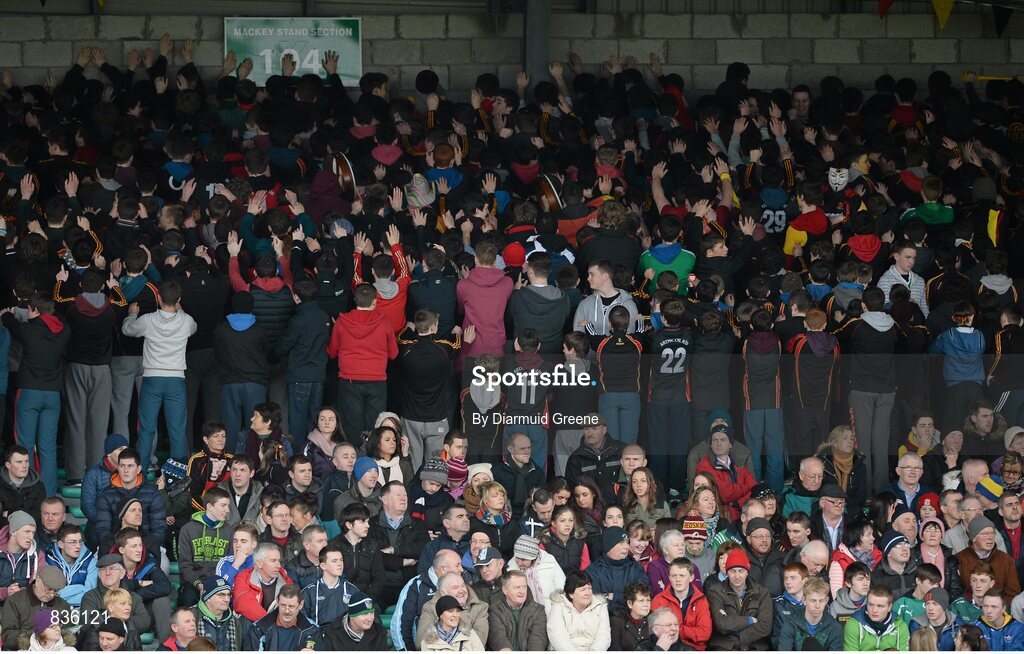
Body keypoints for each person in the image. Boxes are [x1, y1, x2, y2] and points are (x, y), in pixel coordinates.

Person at [120, 279, 197, 464]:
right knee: (177, 431)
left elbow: (127, 330)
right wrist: (180, 308)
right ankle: (177, 480)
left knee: (146, 430)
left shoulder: (147, 320)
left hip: (152, 379)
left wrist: (131, 315)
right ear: (178, 299)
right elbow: (193, 328)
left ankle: (141, 476)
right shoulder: (187, 321)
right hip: (176, 380)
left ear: (158, 298)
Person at [1, 293, 71, 494]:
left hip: (29, 393)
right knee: (47, 446)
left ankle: (29, 491)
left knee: (24, 444)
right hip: (52, 395)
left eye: (31, 310)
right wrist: (47, 308)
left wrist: (9, 312)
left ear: (36, 311)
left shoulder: (29, 331)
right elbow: (61, 318)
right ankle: (48, 493)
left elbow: (9, 322)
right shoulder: (64, 331)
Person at [328, 283, 399, 440]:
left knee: (352, 427)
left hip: (350, 380)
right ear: (374, 301)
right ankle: (372, 460)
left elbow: (332, 352)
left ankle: (355, 460)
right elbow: (394, 354)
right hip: (377, 380)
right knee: (375, 427)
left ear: (355, 300)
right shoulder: (384, 321)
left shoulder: (342, 321)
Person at [93, 449, 166, 555]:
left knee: (164, 566)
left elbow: (159, 528)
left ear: (138, 469)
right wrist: (121, 547)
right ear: (118, 468)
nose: (125, 470)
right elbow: (102, 529)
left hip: (146, 546)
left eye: (130, 466)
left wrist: (138, 547)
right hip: (115, 546)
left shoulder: (151, 493)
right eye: (122, 466)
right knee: (97, 566)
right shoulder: (107, 494)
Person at [706, 548, 773, 649]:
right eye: (732, 571)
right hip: (725, 646)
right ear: (727, 573)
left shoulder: (762, 592)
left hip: (754, 646)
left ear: (747, 572)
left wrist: (739, 634)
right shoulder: (715, 591)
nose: (737, 576)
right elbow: (721, 624)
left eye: (741, 571)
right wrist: (750, 620)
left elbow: (765, 626)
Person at [176, 486, 230, 606]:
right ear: (210, 506)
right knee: (188, 598)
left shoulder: (229, 531)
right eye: (223, 505)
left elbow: (230, 562)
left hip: (220, 583)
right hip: (194, 583)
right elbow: (185, 566)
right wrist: (199, 585)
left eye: (228, 505)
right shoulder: (188, 529)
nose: (227, 510)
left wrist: (217, 586)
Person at [650, 557, 712, 650]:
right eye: (674, 576)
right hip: (669, 648)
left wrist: (676, 629)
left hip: (695, 649)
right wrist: (690, 632)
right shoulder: (659, 600)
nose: (677, 580)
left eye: (682, 576)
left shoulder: (701, 600)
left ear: (691, 577)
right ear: (669, 577)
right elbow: (656, 631)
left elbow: (704, 634)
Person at [0, 567, 71, 648]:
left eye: (56, 591)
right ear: (38, 581)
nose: (51, 595)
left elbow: (69, 635)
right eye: (48, 589)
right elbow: (8, 637)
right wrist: (41, 635)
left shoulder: (63, 605)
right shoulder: (15, 601)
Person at [958, 516, 1021, 604]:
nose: (990, 537)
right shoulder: (959, 559)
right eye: (985, 534)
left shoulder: (1006, 560)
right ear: (974, 538)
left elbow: (1013, 594)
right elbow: (956, 592)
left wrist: (995, 607)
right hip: (968, 611)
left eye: (992, 533)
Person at [545, 570, 611, 651]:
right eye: (583, 589)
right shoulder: (558, 605)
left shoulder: (600, 606)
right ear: (571, 594)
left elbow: (604, 636)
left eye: (589, 588)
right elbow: (557, 636)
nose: (587, 593)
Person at [565, 414, 624, 502]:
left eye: (594, 428)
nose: (589, 433)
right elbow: (572, 489)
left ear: (604, 430)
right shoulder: (575, 458)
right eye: (586, 429)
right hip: (589, 508)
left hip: (617, 505)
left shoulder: (621, 450)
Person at [586, 526, 649, 608]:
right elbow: (595, 602)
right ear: (609, 546)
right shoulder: (592, 571)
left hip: (632, 618)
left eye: (627, 542)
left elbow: (641, 598)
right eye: (621, 542)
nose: (626, 547)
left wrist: (613, 596)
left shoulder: (635, 568)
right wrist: (624, 598)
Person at [486, 570, 549, 651]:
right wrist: (505, 649)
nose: (522, 591)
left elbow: (537, 639)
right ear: (505, 590)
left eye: (524, 587)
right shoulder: (495, 610)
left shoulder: (538, 610)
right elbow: (497, 636)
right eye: (517, 587)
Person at [232, 542, 294, 622]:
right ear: (259, 563)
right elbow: (243, 603)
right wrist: (269, 624)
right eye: (273, 561)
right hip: (253, 628)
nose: (278, 565)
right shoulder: (243, 578)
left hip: (279, 628)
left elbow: (294, 606)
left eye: (279, 561)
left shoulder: (285, 579)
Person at [778, 576, 844, 650]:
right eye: (813, 600)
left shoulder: (834, 627)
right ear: (804, 600)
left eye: (821, 600)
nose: (817, 606)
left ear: (826, 601)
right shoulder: (791, 623)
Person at [317, 589, 390, 650]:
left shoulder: (380, 632)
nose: (370, 618)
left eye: (372, 613)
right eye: (365, 614)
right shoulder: (331, 633)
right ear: (352, 616)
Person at [190, 576, 242, 652]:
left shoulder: (235, 621)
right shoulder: (190, 616)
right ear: (208, 597)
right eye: (221, 595)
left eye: (228, 595)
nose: (227, 599)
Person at [610, 582, 653, 650]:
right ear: (630, 603)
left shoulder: (654, 619)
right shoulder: (617, 621)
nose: (646, 604)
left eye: (648, 600)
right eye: (641, 600)